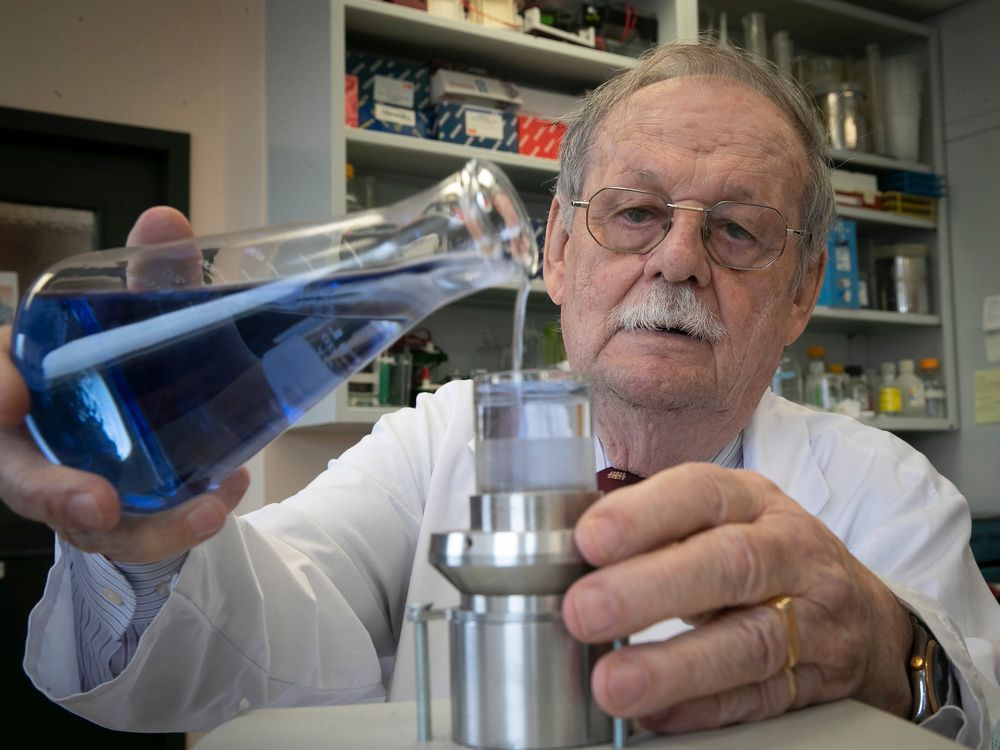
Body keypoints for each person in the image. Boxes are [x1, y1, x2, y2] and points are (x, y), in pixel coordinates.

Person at [1, 39, 998, 747]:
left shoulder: (887, 493)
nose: (678, 261)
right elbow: (241, 646)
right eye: (635, 212)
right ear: (555, 251)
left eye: (736, 229)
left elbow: (978, 708)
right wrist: (148, 548)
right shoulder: (436, 440)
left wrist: (886, 653)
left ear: (799, 292)